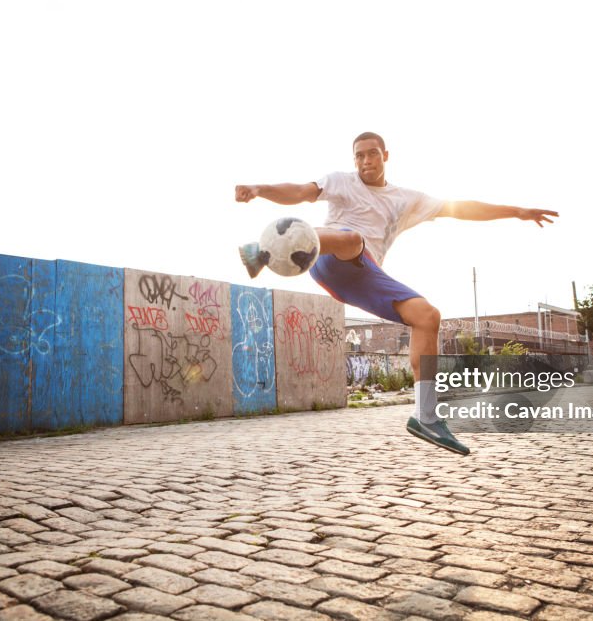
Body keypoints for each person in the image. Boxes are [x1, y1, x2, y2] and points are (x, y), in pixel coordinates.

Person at [235, 132, 557, 455]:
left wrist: (517, 211)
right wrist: (260, 190)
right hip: (328, 259)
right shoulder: (340, 182)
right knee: (352, 240)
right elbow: (302, 192)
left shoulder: (405, 199)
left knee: (427, 316)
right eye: (359, 156)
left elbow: (461, 209)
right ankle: (266, 249)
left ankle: (426, 415)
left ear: (385, 155)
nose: (365, 162)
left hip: (365, 276)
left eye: (372, 154)